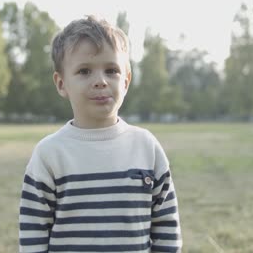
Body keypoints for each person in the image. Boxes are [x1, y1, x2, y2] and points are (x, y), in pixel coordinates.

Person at [19, 15, 182, 252]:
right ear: (61, 83)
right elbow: (33, 231)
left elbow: (166, 226)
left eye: (111, 70)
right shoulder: (49, 154)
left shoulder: (146, 147)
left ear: (126, 81)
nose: (100, 81)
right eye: (84, 71)